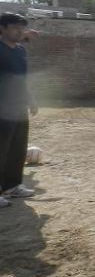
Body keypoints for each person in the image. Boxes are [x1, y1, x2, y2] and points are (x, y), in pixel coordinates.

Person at [0, 13, 38, 208]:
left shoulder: (20, 51)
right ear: (3, 28)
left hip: (19, 106)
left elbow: (22, 79)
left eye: (21, 28)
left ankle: (13, 186)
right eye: (15, 27)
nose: (19, 31)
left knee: (18, 148)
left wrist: (31, 100)